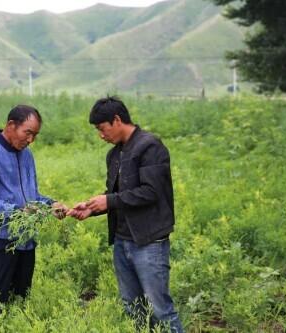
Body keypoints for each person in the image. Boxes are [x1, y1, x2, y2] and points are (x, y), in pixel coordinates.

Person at [67, 96, 183, 332]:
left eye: (102, 128)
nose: (101, 135)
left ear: (117, 120)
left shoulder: (150, 146)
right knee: (133, 307)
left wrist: (108, 201)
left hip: (148, 241)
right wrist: (92, 208)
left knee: (159, 308)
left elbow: (151, 192)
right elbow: (119, 195)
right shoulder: (115, 154)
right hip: (123, 240)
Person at [0, 104, 67, 315]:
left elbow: (32, 197)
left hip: (26, 241)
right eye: (28, 133)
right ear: (11, 125)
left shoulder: (27, 155)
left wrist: (51, 205)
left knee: (20, 303)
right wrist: (18, 211)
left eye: (35, 135)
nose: (31, 140)